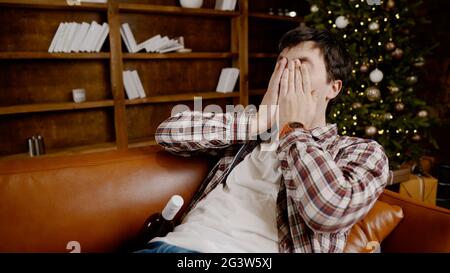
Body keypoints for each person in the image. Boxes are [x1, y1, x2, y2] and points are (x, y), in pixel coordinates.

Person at [138, 26, 389, 253]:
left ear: (333, 88)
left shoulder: (360, 151)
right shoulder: (250, 135)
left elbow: (330, 211)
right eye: (281, 65)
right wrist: (257, 121)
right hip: (169, 245)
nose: (286, 76)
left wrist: (294, 129)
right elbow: (168, 134)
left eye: (301, 66)